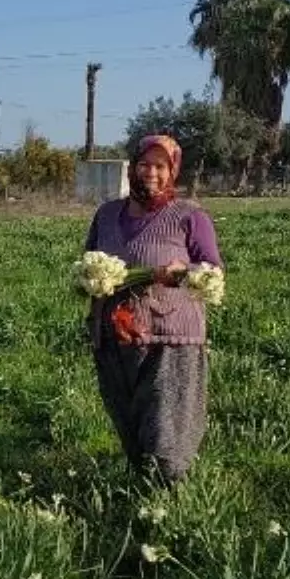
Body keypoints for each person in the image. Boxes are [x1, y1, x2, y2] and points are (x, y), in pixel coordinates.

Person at [84, 134, 223, 484]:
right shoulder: (107, 214)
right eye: (145, 164)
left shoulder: (189, 215)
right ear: (133, 167)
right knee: (129, 422)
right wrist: (89, 279)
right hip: (114, 336)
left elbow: (212, 269)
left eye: (160, 166)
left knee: (167, 431)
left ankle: (171, 502)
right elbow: (87, 263)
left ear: (172, 170)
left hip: (169, 337)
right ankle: (142, 490)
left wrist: (181, 272)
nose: (151, 172)